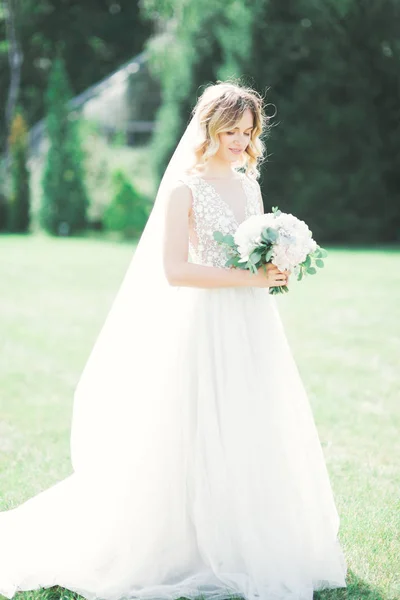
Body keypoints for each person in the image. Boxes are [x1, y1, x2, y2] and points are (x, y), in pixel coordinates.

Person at [0, 81, 347, 600]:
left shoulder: (248, 182)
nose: (239, 140)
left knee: (251, 420)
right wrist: (252, 279)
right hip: (203, 320)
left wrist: (278, 262)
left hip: (252, 323)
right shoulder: (184, 189)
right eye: (230, 130)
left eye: (247, 131)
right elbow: (176, 270)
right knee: (195, 424)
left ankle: (245, 533)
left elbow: (249, 252)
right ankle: (184, 540)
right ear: (209, 127)